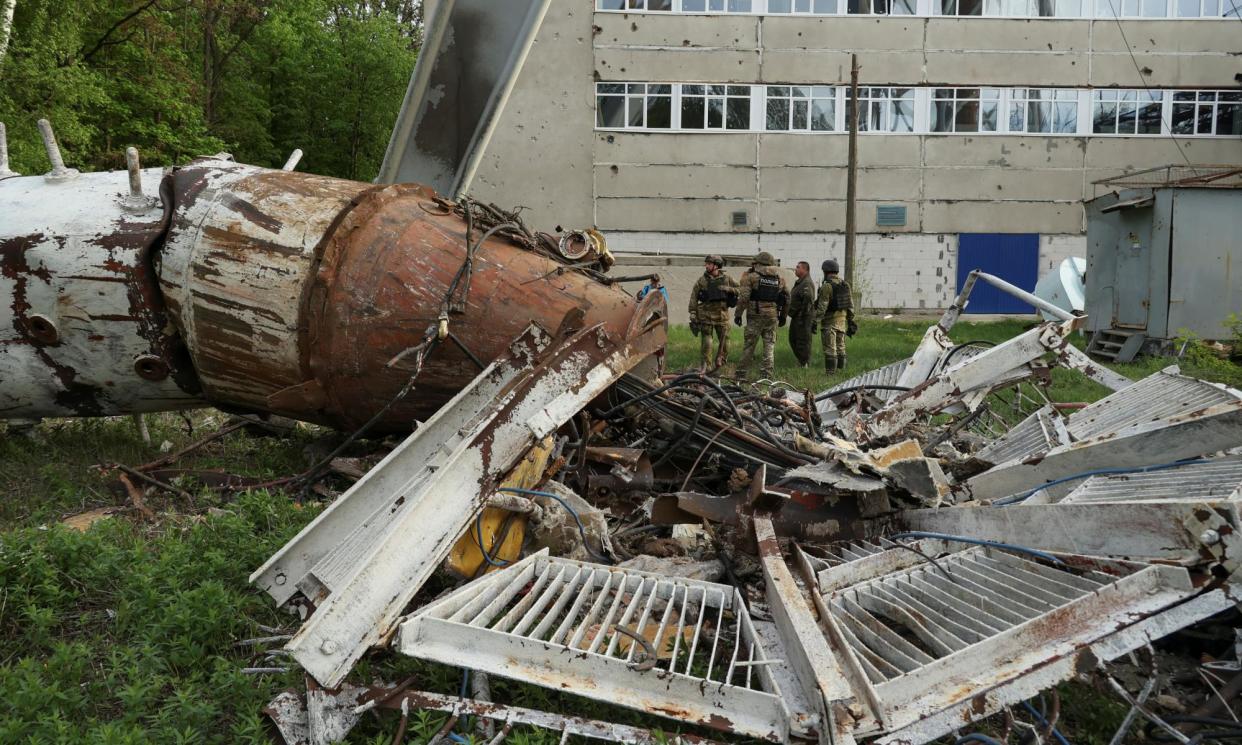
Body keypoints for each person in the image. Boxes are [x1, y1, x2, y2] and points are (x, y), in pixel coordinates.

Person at [734, 251, 788, 380]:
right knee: (769, 346)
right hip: (772, 317)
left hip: (755, 316)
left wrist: (738, 314)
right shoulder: (779, 279)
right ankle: (766, 377)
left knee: (749, 346)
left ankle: (740, 375)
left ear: (758, 263)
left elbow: (744, 298)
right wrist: (783, 316)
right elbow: (786, 298)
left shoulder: (751, 277)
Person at [688, 255, 739, 371]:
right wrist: (692, 313)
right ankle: (707, 368)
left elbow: (741, 289)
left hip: (722, 316)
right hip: (706, 316)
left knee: (725, 342)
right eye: (706, 263)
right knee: (707, 343)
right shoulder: (702, 280)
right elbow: (693, 297)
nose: (706, 266)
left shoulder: (727, 279)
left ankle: (721, 365)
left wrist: (729, 289)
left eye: (709, 264)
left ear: (716, 266)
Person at [813, 259, 856, 374]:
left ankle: (831, 373)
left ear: (826, 272)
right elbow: (850, 305)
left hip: (829, 322)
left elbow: (822, 307)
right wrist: (851, 320)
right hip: (842, 321)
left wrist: (815, 321)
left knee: (830, 348)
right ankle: (842, 372)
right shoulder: (845, 284)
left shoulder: (827, 286)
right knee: (841, 346)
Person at [787, 261, 816, 367]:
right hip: (797, 316)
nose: (796, 269)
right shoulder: (801, 282)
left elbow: (808, 299)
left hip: (803, 318)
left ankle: (804, 363)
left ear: (805, 270)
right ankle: (801, 361)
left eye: (798, 267)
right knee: (793, 339)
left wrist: (802, 315)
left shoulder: (807, 282)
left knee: (802, 341)